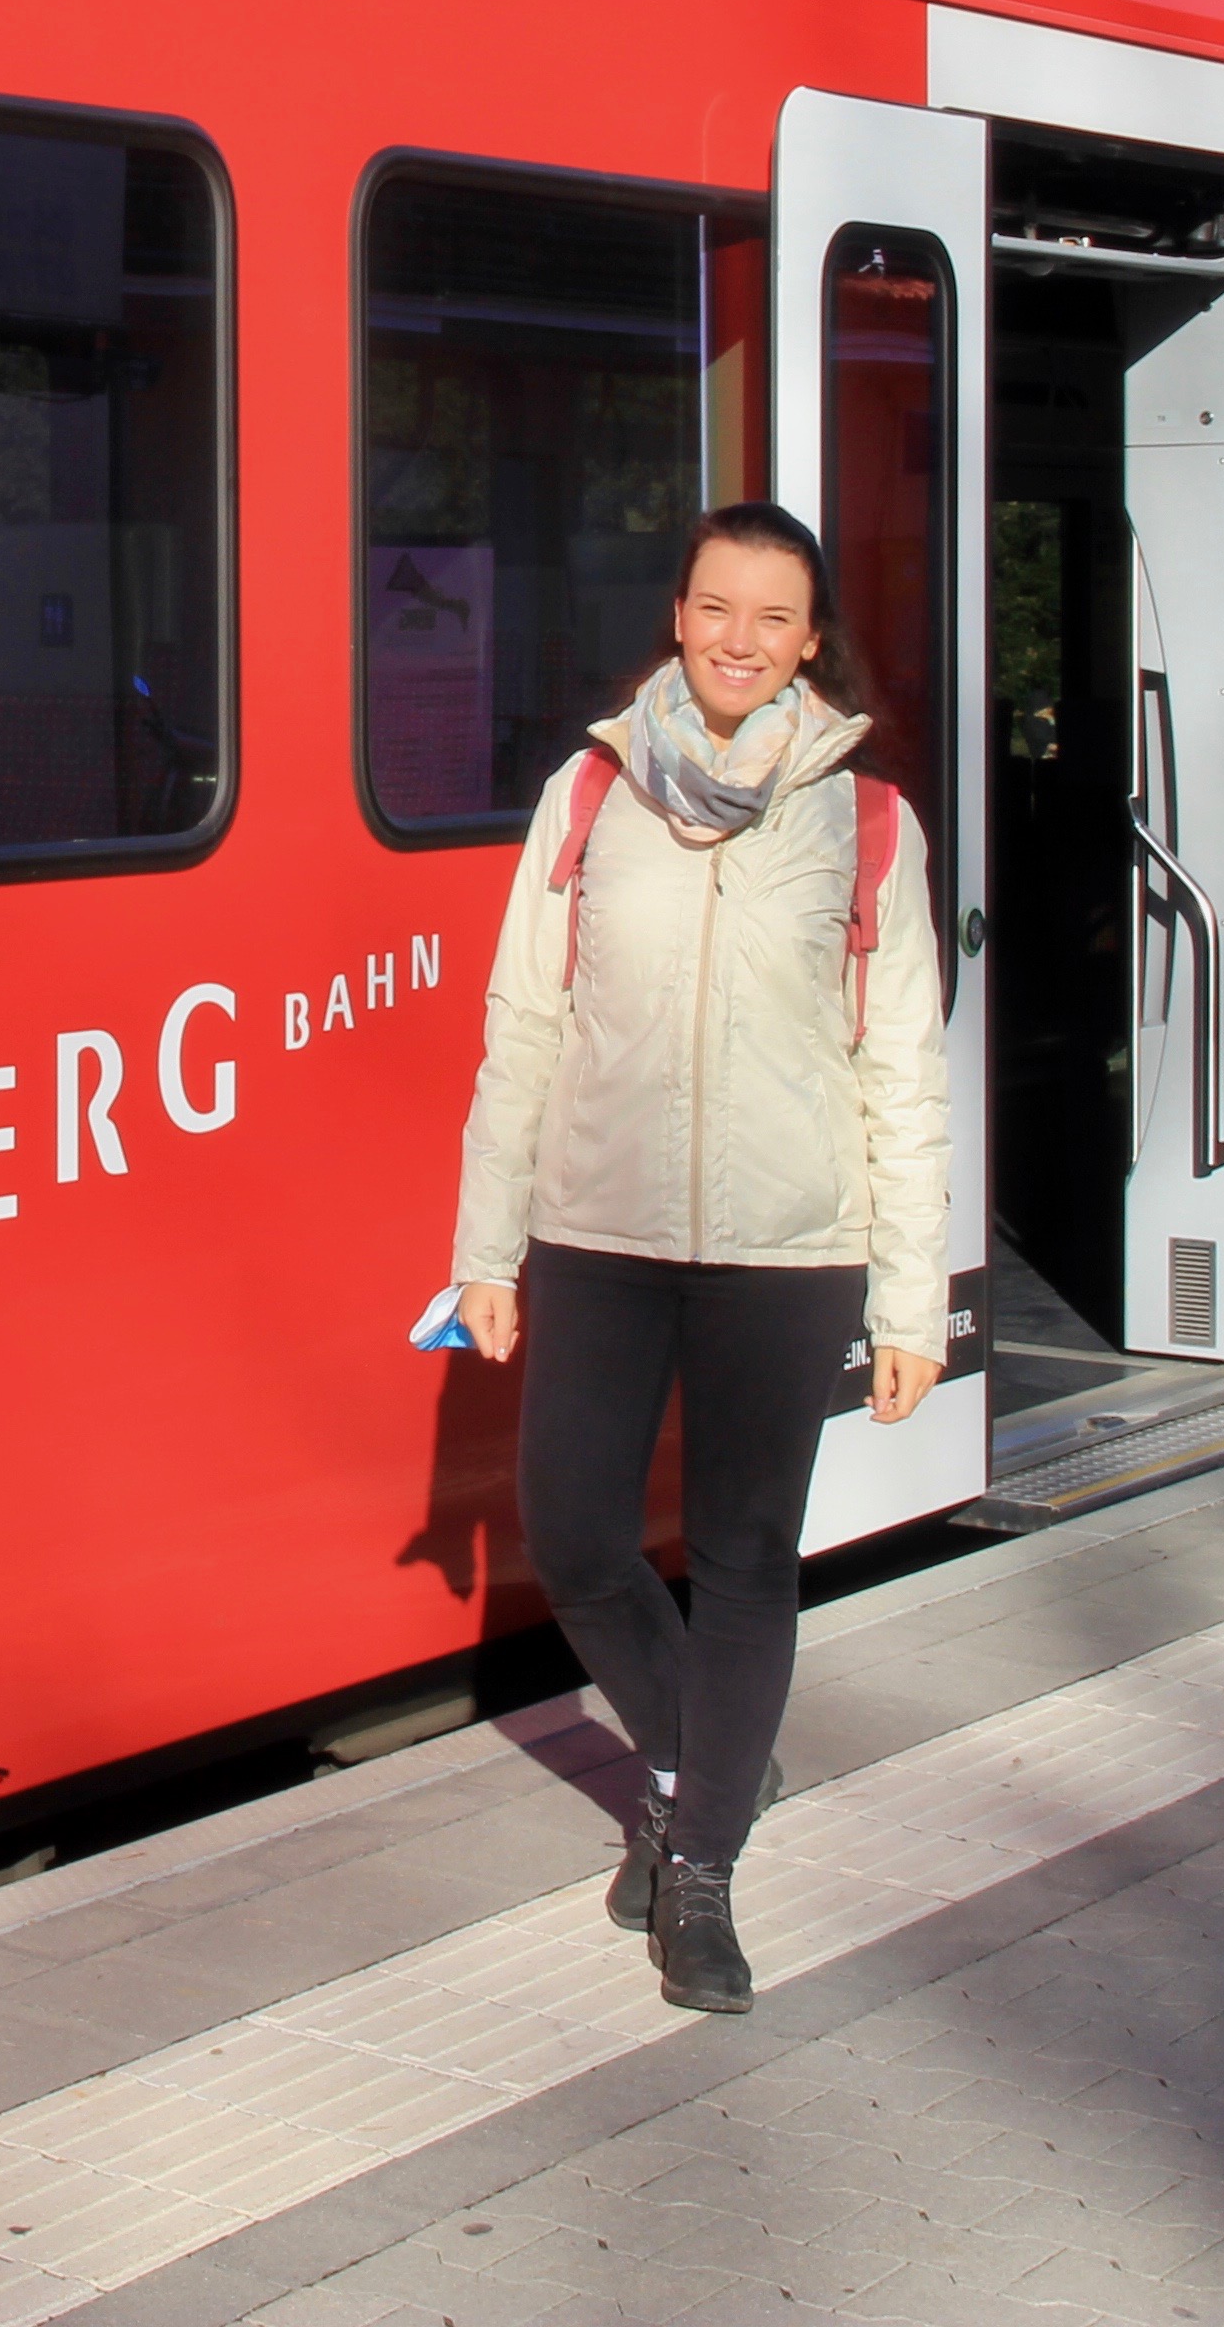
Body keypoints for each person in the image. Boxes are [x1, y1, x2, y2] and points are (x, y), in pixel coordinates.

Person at [448, 500, 952, 2013]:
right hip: (596, 1232)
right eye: (713, 607)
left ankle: (702, 1869)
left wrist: (909, 1296)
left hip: (784, 1254)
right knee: (576, 1532)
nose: (738, 638)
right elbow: (522, 1025)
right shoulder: (587, 796)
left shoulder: (865, 821)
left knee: (743, 1560)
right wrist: (488, 1243)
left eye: (771, 618)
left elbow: (901, 1069)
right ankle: (696, 1763)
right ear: (677, 616)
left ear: (809, 644)